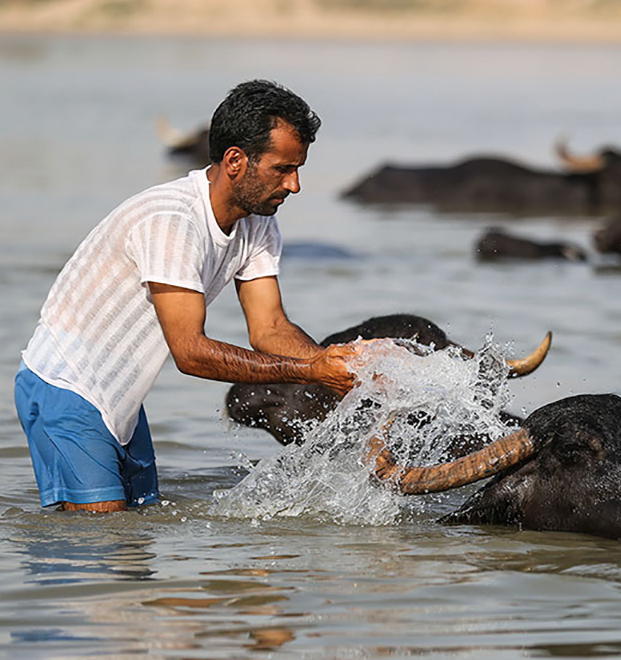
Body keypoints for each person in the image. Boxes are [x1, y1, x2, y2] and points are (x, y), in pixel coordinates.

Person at [14, 79, 365, 513]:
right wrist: (313, 371)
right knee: (100, 543)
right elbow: (190, 352)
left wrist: (346, 370)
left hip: (122, 400)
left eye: (298, 169)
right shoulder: (172, 221)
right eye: (282, 169)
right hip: (65, 387)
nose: (295, 185)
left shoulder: (258, 223)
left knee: (134, 546)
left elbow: (270, 327)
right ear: (235, 160)